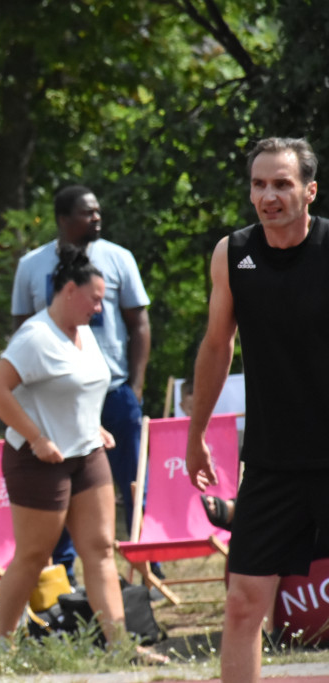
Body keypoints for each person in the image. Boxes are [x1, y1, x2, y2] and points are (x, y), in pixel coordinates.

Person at [186, 136, 329, 683]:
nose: (269, 196)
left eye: (282, 184)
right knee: (244, 603)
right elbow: (216, 346)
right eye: (259, 184)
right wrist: (196, 433)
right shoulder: (233, 253)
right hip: (271, 462)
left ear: (309, 191)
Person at [0, 245, 164, 665]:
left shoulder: (84, 332)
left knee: (101, 549)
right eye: (96, 298)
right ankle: (0, 649)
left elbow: (81, 387)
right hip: (38, 461)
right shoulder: (34, 336)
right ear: (69, 290)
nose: (101, 308)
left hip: (87, 455)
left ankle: (121, 647)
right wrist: (36, 438)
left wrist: (93, 425)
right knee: (32, 557)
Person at [11, 184, 152, 584]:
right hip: (55, 403)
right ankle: (63, 578)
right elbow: (21, 331)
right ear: (62, 220)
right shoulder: (31, 266)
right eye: (87, 213)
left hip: (114, 392)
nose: (96, 218)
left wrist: (137, 385)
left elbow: (138, 324)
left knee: (131, 480)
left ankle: (146, 570)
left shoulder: (119, 258)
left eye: (98, 212)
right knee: (59, 487)